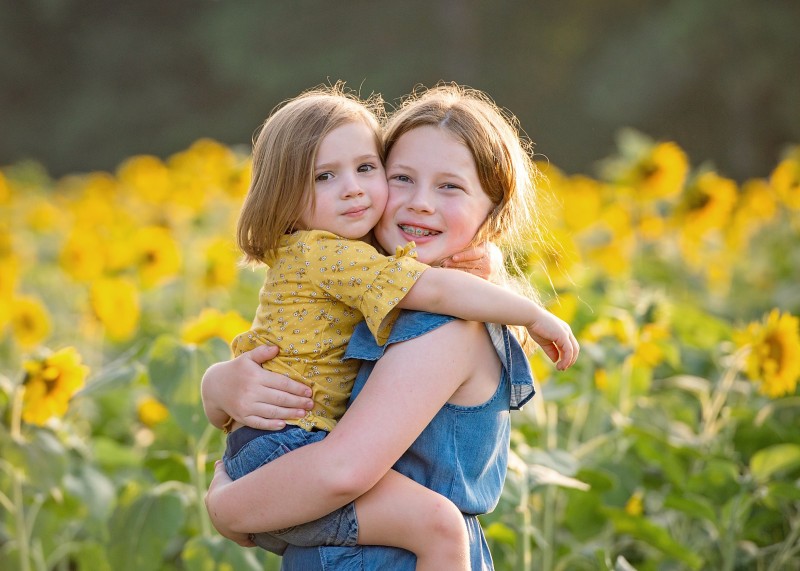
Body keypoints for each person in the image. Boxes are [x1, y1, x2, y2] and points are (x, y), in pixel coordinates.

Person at [203, 83, 579, 570]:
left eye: (450, 186)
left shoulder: (445, 328)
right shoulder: (369, 291)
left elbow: (341, 471)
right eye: (401, 177)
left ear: (494, 211)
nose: (420, 202)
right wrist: (218, 384)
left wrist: (225, 506)